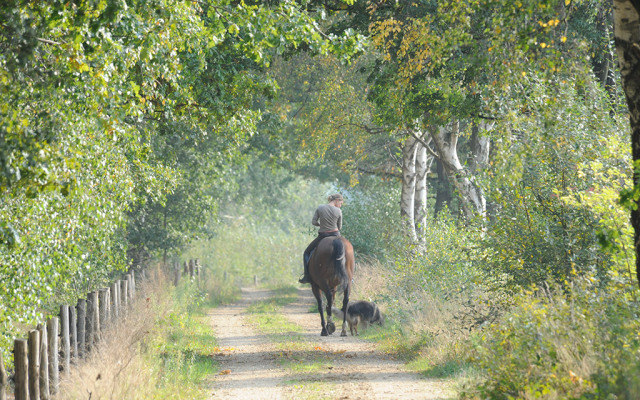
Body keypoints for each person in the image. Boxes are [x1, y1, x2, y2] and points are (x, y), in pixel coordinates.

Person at [298, 193, 344, 284]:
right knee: (347, 252)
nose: (340, 205)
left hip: (323, 235)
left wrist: (320, 224)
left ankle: (307, 276)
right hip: (336, 235)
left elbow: (314, 222)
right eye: (341, 203)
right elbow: (340, 227)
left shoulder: (320, 208)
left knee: (306, 253)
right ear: (337, 200)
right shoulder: (338, 211)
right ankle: (350, 277)